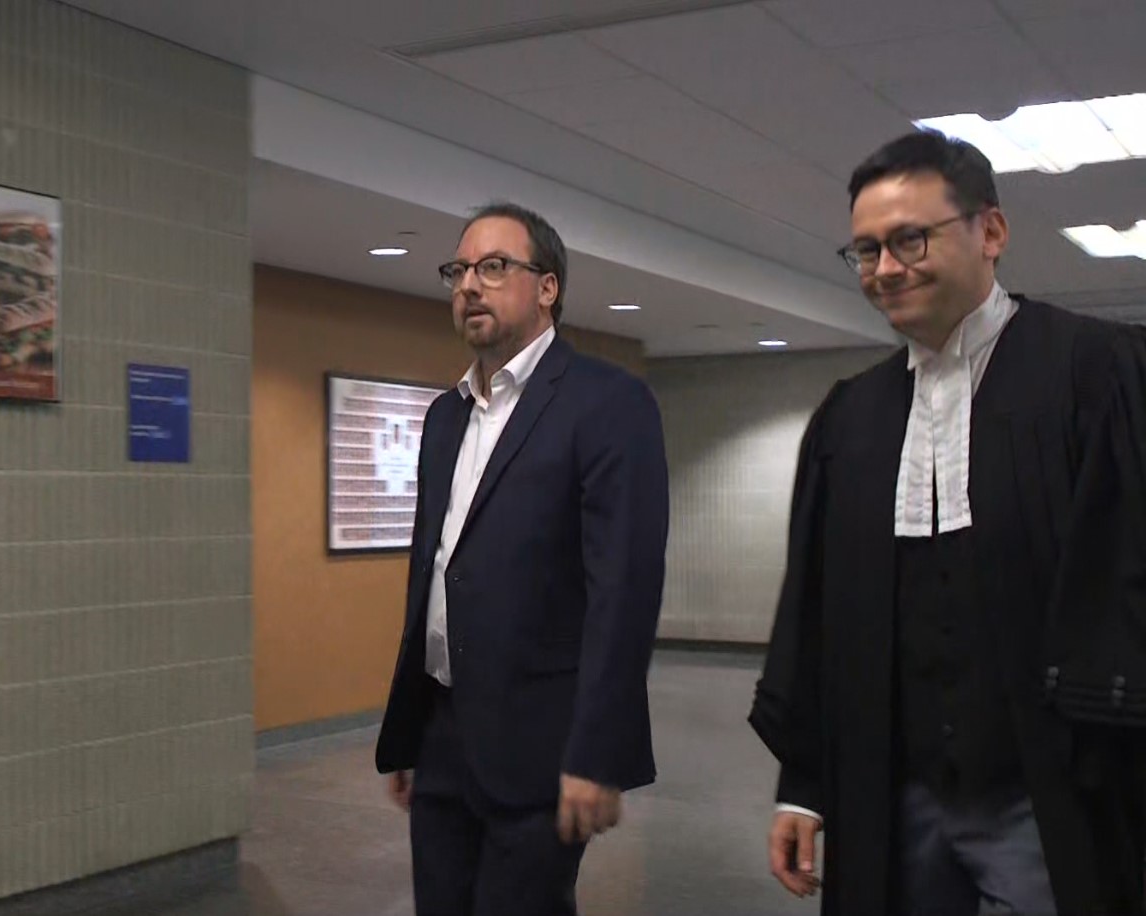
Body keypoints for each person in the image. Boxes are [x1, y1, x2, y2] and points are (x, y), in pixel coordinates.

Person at [750, 129, 1146, 916]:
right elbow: (818, 616)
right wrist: (804, 787)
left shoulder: (1096, 374)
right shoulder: (851, 419)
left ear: (990, 232)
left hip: (1051, 793)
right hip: (891, 800)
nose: (886, 270)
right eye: (865, 251)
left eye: (909, 240)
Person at [374, 201, 670, 915]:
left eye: (494, 267)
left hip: (544, 744)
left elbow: (622, 592)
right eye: (460, 270)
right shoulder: (446, 417)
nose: (469, 284)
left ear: (547, 288)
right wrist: (412, 731)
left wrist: (597, 752)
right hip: (444, 735)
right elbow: (437, 572)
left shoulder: (607, 403)